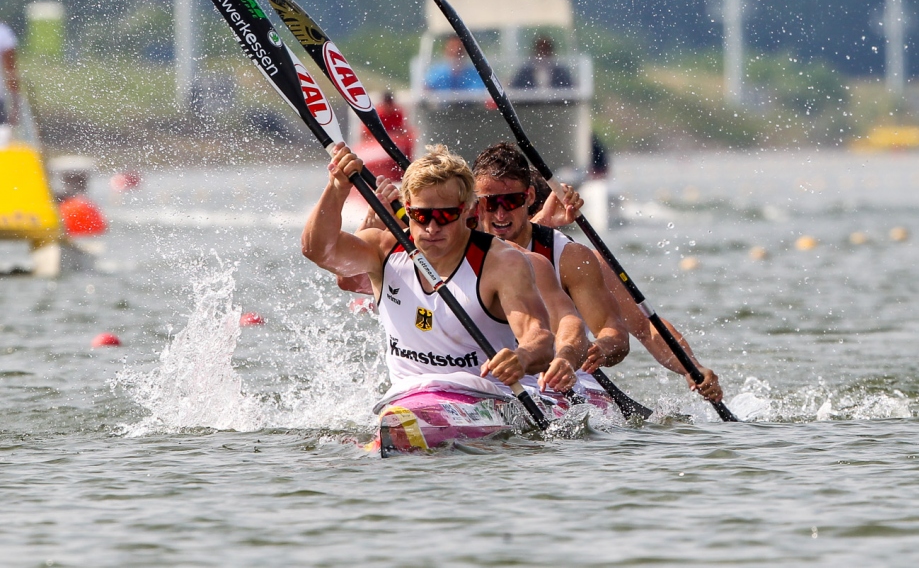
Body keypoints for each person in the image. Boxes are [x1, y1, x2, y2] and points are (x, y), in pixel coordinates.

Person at [302, 142, 564, 396]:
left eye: (445, 216)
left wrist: (522, 356)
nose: (431, 228)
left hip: (483, 394)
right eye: (422, 216)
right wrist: (337, 189)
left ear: (467, 210)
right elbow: (318, 250)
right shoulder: (383, 249)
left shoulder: (502, 263)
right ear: (407, 209)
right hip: (406, 396)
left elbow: (540, 338)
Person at [472, 142, 724, 403]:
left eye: (511, 201)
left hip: (560, 379)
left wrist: (690, 368)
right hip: (488, 377)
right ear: (474, 203)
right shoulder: (453, 245)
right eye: (489, 203)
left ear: (529, 198)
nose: (500, 212)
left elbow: (640, 327)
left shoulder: (571, 258)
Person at [0, 20, 20, 126]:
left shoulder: (3, 33)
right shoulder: (3, 33)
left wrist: (15, 104)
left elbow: (11, 72)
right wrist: (15, 103)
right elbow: (11, 72)